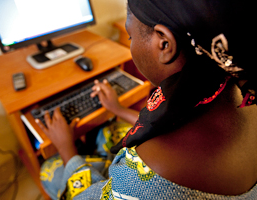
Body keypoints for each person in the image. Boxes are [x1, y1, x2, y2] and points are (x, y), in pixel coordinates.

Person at [36, 0, 257, 199]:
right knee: (107, 132)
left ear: (164, 44)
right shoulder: (236, 86)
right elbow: (172, 122)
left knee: (49, 169)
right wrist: (119, 109)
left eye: (130, 36)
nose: (130, 43)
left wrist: (66, 150)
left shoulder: (149, 174)